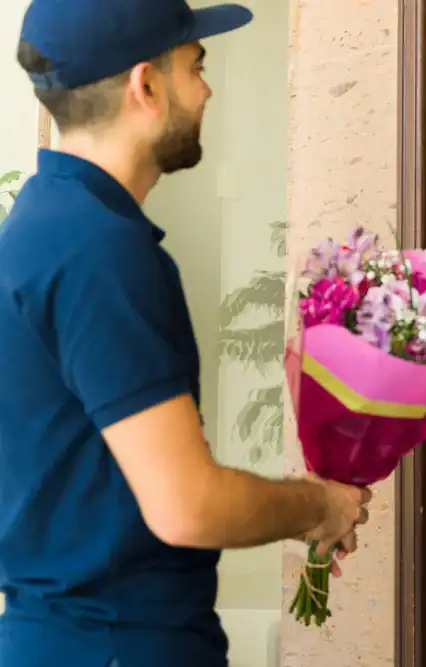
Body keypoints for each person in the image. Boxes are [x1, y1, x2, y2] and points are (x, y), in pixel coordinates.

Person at [0, 2, 370, 666]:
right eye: (196, 67)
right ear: (147, 85)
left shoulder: (43, 223)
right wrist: (318, 505)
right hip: (119, 645)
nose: (206, 90)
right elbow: (186, 506)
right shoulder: (98, 250)